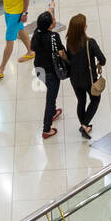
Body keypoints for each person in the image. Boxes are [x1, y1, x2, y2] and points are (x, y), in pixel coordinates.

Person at [65, 13, 106, 140]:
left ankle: (84, 124)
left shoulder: (69, 42)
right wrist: (98, 63)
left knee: (81, 101)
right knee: (95, 100)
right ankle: (84, 125)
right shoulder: (90, 43)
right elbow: (103, 59)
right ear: (82, 27)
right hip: (89, 79)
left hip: (74, 79)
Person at [31, 10, 68, 139]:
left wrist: (51, 8)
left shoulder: (36, 33)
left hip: (39, 69)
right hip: (51, 72)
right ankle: (46, 129)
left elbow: (33, 48)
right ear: (51, 25)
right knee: (50, 97)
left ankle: (53, 111)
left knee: (50, 91)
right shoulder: (54, 37)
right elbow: (62, 54)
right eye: (53, 20)